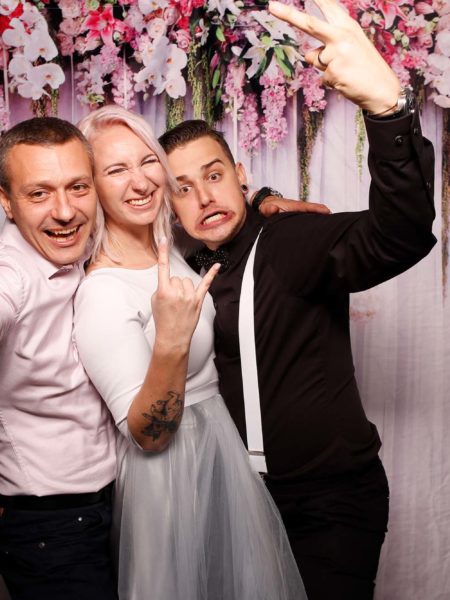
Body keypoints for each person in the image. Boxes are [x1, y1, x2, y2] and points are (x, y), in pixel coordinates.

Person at [158, 1, 437, 598]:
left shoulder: (290, 240)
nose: (203, 197)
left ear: (240, 173)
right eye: (181, 188)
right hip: (234, 501)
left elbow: (400, 234)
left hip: (328, 502)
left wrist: (387, 112)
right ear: (168, 206)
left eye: (213, 175)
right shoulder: (178, 268)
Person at [73, 105, 307, 600]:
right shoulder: (103, 291)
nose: (140, 182)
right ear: (90, 185)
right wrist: (171, 340)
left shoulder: (171, 244)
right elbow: (148, 434)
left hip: (219, 456)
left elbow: (219, 217)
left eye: (147, 161)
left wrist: (263, 198)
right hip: (167, 481)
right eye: (116, 170)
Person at [0, 118, 118, 600]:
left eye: (78, 187)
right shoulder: (12, 277)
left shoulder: (89, 244)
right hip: (49, 527)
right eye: (39, 194)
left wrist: (261, 201)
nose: (66, 211)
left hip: (118, 504)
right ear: (6, 202)